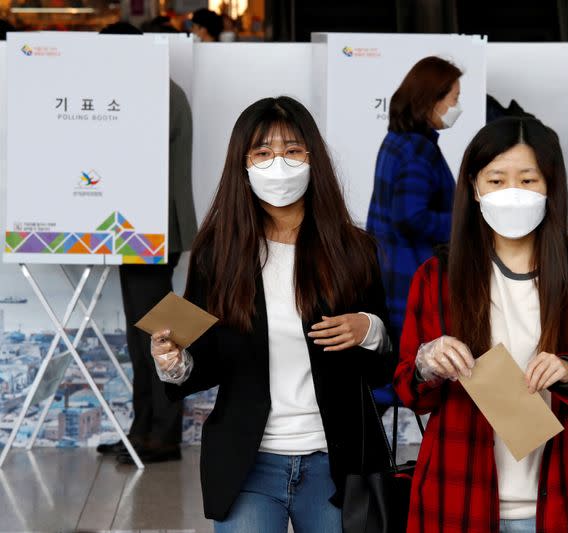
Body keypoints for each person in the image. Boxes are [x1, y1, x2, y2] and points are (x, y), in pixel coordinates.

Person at [149, 96, 394, 532]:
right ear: (242, 165)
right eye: (262, 152)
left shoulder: (354, 250)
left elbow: (382, 369)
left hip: (336, 463)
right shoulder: (218, 254)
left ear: (312, 158)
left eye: (292, 150)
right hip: (248, 464)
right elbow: (205, 360)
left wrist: (369, 329)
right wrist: (174, 363)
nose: (278, 163)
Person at [394, 117, 568, 533]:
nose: (512, 193)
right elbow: (408, 391)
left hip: (564, 501)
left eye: (528, 180)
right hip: (456, 502)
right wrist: (427, 363)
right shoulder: (439, 277)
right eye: (496, 180)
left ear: (550, 187)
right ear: (473, 187)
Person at [95, 22, 198, 464]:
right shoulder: (154, 90)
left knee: (158, 334)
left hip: (154, 228)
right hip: (143, 228)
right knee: (144, 335)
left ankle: (164, 433)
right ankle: (144, 429)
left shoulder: (153, 94)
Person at [366, 56, 462, 345]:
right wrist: (465, 221)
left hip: (390, 268)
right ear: (432, 100)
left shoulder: (397, 139)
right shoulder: (419, 149)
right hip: (411, 274)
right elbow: (411, 217)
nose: (457, 107)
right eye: (454, 99)